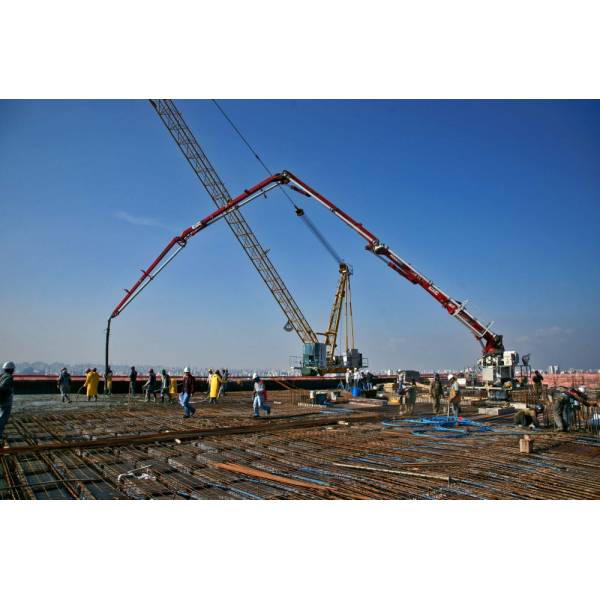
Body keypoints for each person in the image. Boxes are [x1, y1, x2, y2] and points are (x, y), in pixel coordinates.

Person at [0, 361, 16, 447]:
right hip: (5, 401)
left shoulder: (2, 376)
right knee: (3, 418)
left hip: (2, 400)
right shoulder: (9, 377)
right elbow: (3, 388)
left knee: (1, 417)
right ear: (11, 369)